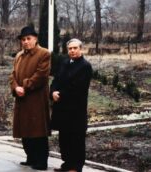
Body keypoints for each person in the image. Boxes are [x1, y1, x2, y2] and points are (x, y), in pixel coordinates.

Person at [10, 26, 51, 171]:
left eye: (28, 39)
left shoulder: (43, 53)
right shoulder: (19, 56)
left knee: (38, 130)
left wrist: (24, 87)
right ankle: (30, 157)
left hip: (36, 99)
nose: (25, 42)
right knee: (25, 130)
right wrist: (16, 87)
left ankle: (41, 161)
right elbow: (12, 75)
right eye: (23, 39)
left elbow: (41, 75)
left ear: (35, 39)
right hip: (21, 98)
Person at [50, 39, 93, 172]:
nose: (72, 51)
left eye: (75, 48)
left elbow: (77, 88)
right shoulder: (64, 63)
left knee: (76, 139)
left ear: (81, 49)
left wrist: (60, 94)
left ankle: (76, 167)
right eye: (70, 49)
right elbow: (56, 80)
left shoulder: (85, 66)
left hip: (75, 110)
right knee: (65, 138)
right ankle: (67, 164)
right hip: (62, 109)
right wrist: (52, 92)